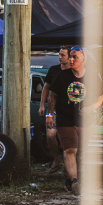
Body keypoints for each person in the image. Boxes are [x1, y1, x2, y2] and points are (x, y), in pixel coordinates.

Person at [45, 46, 103, 195]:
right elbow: (52, 95)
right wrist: (49, 115)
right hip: (65, 119)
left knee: (81, 152)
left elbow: (100, 97)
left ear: (84, 59)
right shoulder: (62, 75)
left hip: (85, 121)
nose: (71, 60)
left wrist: (91, 108)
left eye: (75, 57)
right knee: (70, 150)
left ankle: (69, 179)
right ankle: (75, 182)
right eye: (70, 57)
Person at [39, 45, 71, 173]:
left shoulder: (73, 71)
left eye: (63, 55)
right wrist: (42, 105)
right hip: (54, 109)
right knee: (50, 135)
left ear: (69, 57)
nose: (59, 57)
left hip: (69, 110)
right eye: (59, 54)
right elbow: (46, 88)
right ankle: (56, 160)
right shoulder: (53, 70)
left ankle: (69, 165)